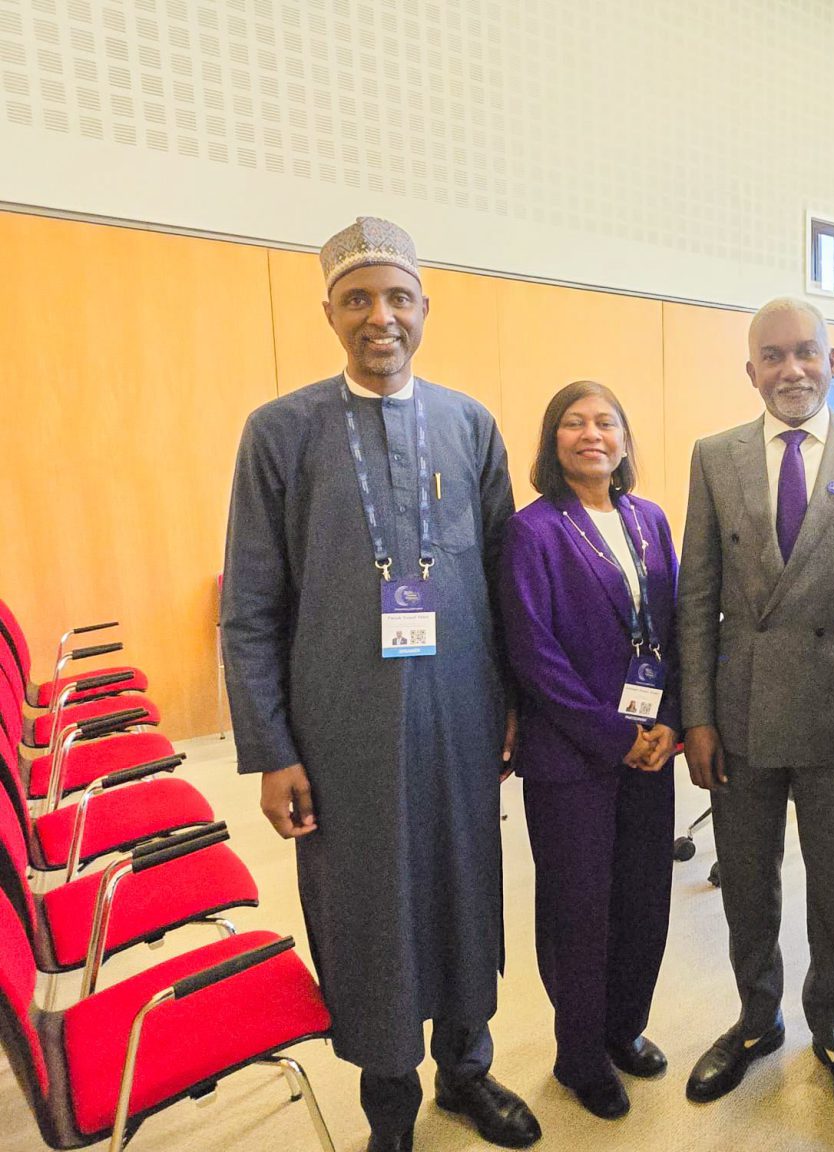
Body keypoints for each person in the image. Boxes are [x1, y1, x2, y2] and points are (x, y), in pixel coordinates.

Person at [221, 217, 540, 1152]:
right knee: (370, 907)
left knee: (463, 887)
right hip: (340, 729)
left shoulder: (470, 424)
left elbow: (504, 580)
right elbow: (249, 607)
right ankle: (388, 1104)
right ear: (328, 313)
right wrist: (272, 751)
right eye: (357, 299)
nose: (380, 317)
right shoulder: (279, 432)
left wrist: (513, 705)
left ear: (425, 308)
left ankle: (467, 1073)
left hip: (461, 717)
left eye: (398, 297)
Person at [677, 297, 834, 1132]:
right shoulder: (715, 456)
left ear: (832, 361)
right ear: (751, 371)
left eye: (806, 352)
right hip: (740, 706)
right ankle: (756, 1019)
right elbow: (697, 595)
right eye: (773, 356)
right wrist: (697, 717)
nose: (792, 369)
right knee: (748, 880)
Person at [499, 381, 679, 1122]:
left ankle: (623, 1027)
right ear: (553, 441)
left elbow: (672, 627)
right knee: (579, 908)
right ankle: (579, 1052)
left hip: (650, 748)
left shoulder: (649, 519)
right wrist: (614, 735)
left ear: (625, 439)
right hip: (571, 758)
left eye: (606, 422)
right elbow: (533, 654)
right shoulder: (532, 531)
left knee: (643, 897)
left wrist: (669, 721)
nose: (592, 434)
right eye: (574, 423)